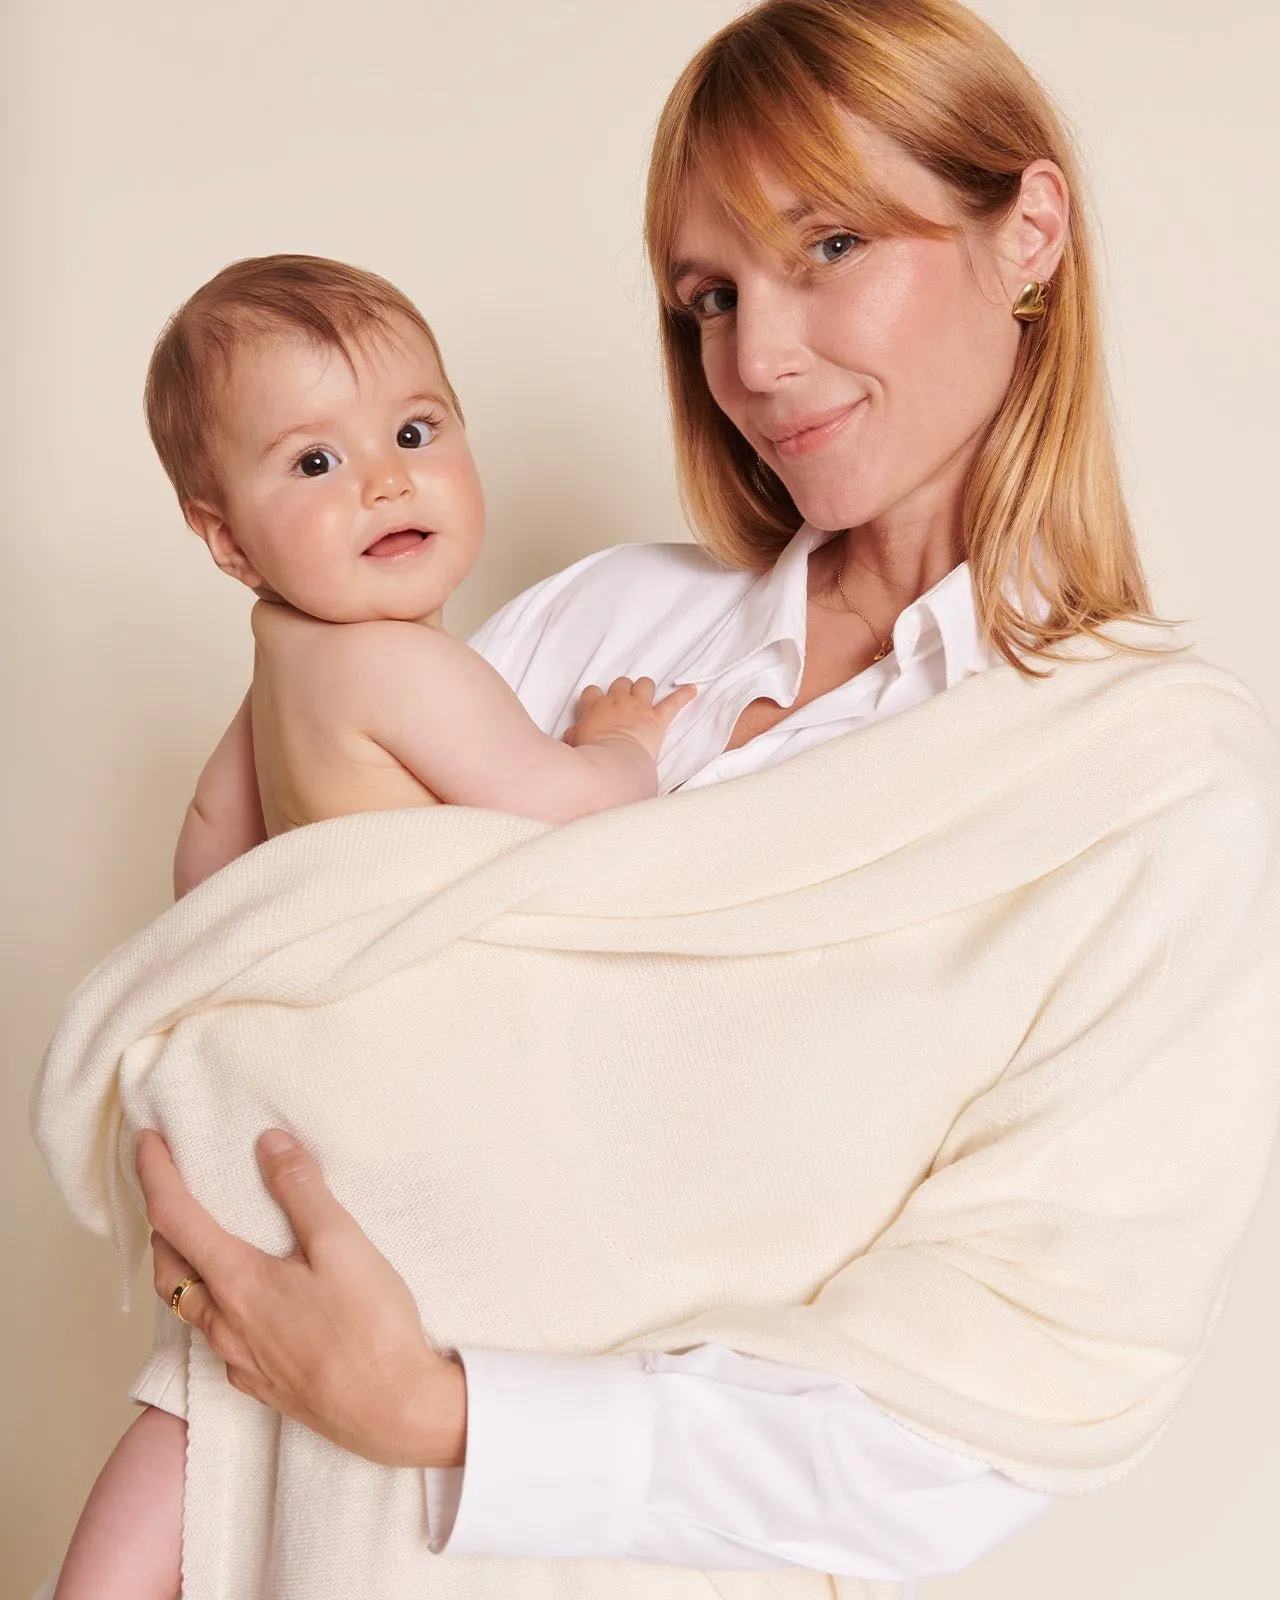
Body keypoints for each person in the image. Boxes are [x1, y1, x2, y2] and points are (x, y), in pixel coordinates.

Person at [33, 1, 1280, 1596]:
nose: (754, 360)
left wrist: (450, 1415)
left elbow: (1007, 1395)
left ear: (1026, 233)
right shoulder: (602, 627)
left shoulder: (1153, 796)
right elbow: (323, 1005)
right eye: (708, 296)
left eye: (828, 244)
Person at [47, 253, 697, 1600]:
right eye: (313, 462)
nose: (385, 481)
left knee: (203, 1395)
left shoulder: (274, 667)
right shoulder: (407, 662)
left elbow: (213, 870)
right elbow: (561, 816)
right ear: (223, 537)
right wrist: (621, 745)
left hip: (279, 1109)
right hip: (403, 1104)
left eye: (414, 432)